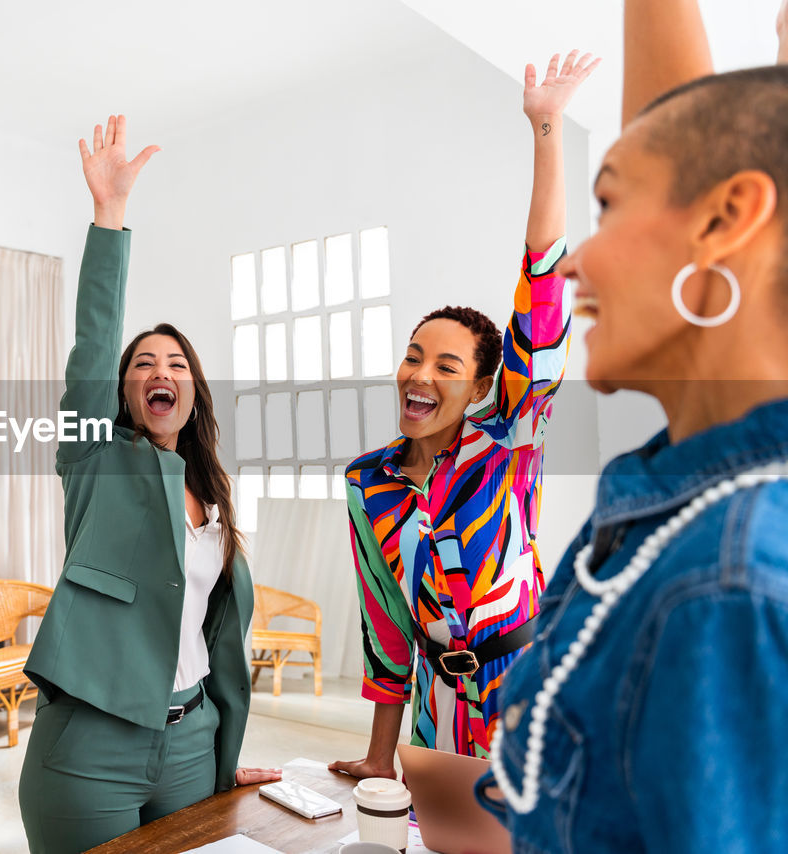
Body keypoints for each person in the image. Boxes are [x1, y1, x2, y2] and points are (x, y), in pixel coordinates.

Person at [476, 6, 788, 852]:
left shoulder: (731, 586)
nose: (576, 260)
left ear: (726, 224)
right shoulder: (685, 504)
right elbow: (696, 142)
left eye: (608, 206)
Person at [328, 51, 598, 779]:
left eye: (447, 366)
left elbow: (543, 295)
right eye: (414, 356)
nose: (420, 374)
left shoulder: (512, 437)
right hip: (435, 712)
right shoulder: (366, 484)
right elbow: (385, 626)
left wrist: (546, 129)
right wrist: (381, 760)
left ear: (483, 386)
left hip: (529, 694)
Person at [18, 115, 280, 853]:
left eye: (176, 363)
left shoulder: (213, 497)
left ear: (195, 389)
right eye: (143, 364)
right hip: (92, 743)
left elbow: (212, 630)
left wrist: (222, 751)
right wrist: (110, 217)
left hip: (192, 738)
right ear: (121, 392)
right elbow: (93, 347)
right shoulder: (95, 460)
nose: (159, 371)